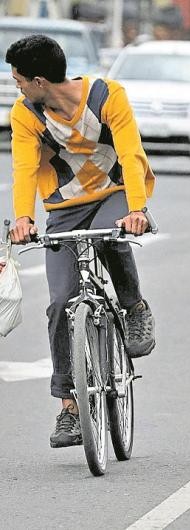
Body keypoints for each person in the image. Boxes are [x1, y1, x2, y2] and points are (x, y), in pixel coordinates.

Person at [5, 35, 157, 449]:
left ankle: (134, 307)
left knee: (110, 237)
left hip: (116, 194)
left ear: (39, 81)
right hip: (65, 208)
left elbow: (131, 154)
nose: (17, 87)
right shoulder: (26, 113)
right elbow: (24, 168)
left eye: (19, 80)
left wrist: (137, 210)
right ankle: (70, 407)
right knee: (60, 303)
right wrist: (24, 218)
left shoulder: (107, 96)